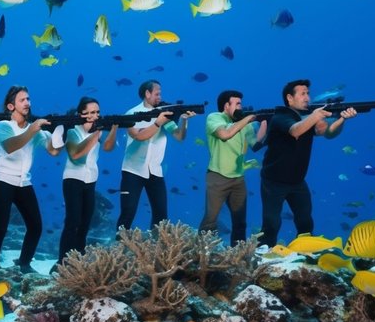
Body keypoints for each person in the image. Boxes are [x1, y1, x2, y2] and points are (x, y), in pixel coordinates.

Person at [259, 79, 357, 246]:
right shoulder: (280, 117)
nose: (307, 97)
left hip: (297, 181)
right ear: (290, 98)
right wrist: (316, 115)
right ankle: (261, 257)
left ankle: (304, 255)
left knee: (305, 223)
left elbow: (328, 133)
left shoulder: (306, 117)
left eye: (308, 93)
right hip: (273, 182)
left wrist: (342, 119)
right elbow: (295, 130)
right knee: (271, 224)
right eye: (302, 94)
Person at [0, 85, 60, 271]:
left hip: (23, 181)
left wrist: (61, 131)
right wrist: (32, 130)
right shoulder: (3, 126)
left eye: (28, 99)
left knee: (36, 226)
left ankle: (24, 263)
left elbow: (53, 151)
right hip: (2, 179)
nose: (27, 103)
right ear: (11, 106)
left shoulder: (35, 130)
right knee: (1, 226)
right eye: (22, 100)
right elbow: (11, 147)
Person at [117, 80, 194, 231]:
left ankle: (157, 250)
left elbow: (179, 136)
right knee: (128, 213)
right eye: (157, 94)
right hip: (132, 170)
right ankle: (119, 248)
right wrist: (158, 123)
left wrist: (184, 121)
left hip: (155, 171)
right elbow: (139, 136)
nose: (160, 97)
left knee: (161, 215)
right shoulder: (131, 114)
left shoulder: (163, 114)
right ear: (147, 93)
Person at [56, 97, 118, 269]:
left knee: (86, 221)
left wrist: (113, 129)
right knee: (73, 221)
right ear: (81, 114)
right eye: (90, 112)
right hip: (73, 180)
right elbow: (76, 156)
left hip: (90, 180)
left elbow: (108, 147)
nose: (95, 115)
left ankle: (78, 260)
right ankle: (61, 261)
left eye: (97, 112)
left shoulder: (96, 131)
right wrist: (96, 133)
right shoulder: (72, 131)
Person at [198, 89, 266, 245]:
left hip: (238, 179)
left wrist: (263, 123)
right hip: (217, 177)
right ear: (226, 106)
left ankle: (238, 256)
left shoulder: (244, 123)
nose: (240, 107)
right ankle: (201, 255)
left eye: (241, 104)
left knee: (240, 222)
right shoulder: (214, 118)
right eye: (237, 104)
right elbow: (224, 134)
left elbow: (255, 144)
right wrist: (248, 119)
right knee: (210, 220)